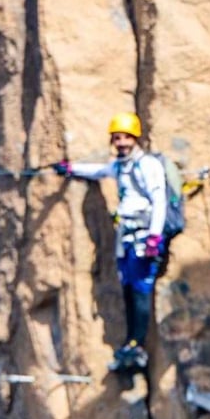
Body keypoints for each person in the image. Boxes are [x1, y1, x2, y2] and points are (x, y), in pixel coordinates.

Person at [54, 112, 168, 375]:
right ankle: (130, 342)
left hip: (144, 236)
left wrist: (154, 235)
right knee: (128, 288)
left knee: (140, 289)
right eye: (117, 138)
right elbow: (99, 171)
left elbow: (159, 199)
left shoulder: (147, 165)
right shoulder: (121, 166)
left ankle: (138, 344)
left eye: (126, 137)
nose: (121, 143)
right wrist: (71, 169)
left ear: (135, 137)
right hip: (127, 236)